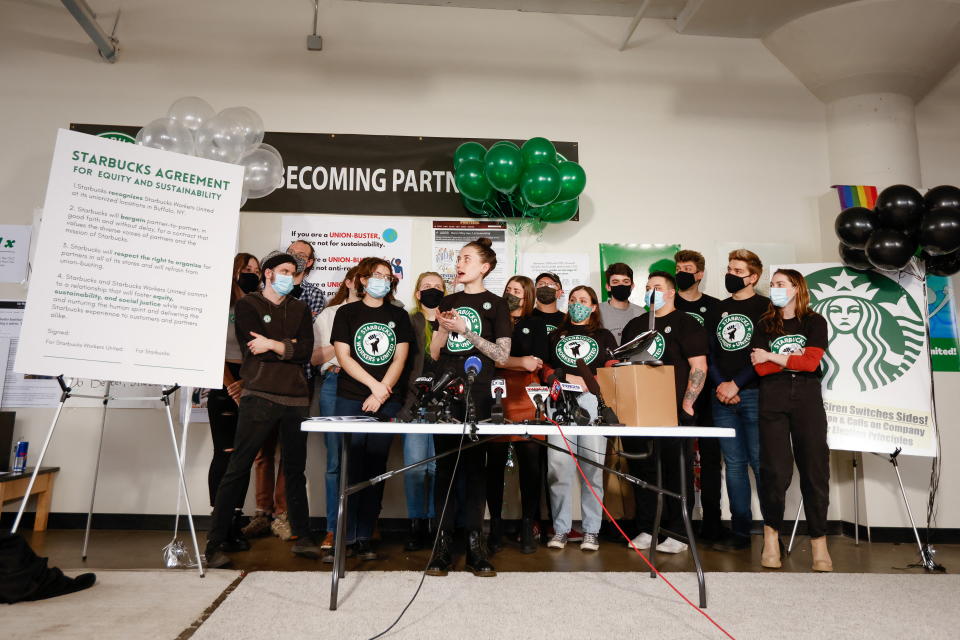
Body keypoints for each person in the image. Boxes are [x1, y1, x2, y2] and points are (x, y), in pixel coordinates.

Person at [205, 251, 318, 568]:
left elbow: (305, 352)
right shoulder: (248, 305)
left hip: (296, 398)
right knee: (237, 466)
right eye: (283, 270)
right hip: (258, 395)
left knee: (295, 470)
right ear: (268, 273)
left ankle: (304, 538)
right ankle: (213, 545)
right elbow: (254, 347)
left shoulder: (299, 308)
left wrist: (275, 345)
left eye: (293, 272)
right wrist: (286, 346)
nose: (288, 276)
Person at [427, 238, 512, 577]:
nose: (459, 264)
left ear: (484, 267)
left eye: (466, 258)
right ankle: (442, 546)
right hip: (446, 392)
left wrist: (467, 331)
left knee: (476, 472)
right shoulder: (448, 300)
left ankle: (477, 546)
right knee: (445, 471)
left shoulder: (497, 304)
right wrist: (444, 329)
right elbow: (434, 353)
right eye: (458, 258)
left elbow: (502, 355)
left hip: (479, 397)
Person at [750, 269, 832, 572]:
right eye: (772, 285)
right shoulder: (765, 324)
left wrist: (772, 357)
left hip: (807, 399)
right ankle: (771, 537)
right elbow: (759, 370)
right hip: (772, 398)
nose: (775, 289)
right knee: (774, 470)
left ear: (797, 288)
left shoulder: (814, 321)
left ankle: (818, 542)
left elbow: (811, 363)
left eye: (780, 284)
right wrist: (788, 360)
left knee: (814, 469)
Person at [331, 258, 413, 560]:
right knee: (350, 466)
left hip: (386, 400)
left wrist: (381, 394)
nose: (382, 280)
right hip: (351, 396)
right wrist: (373, 387)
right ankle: (346, 534)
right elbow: (344, 356)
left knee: (375, 468)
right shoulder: (347, 312)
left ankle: (365, 534)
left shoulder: (399, 315)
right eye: (376, 275)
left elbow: (399, 360)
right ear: (363, 280)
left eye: (387, 276)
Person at [621, 271, 708, 554]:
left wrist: (687, 404)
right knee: (642, 470)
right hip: (639, 412)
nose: (651, 292)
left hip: (674, 411)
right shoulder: (635, 325)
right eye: (647, 288)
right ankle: (648, 528)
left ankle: (678, 533)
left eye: (657, 287)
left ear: (671, 292)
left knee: (676, 471)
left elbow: (699, 367)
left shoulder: (686, 323)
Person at [544, 285, 618, 552]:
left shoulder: (603, 335)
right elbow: (545, 367)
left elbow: (612, 369)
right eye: (573, 299)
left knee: (592, 467)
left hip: (591, 403)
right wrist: (563, 378)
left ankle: (591, 531)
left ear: (594, 306)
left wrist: (590, 382)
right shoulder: (556, 335)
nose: (577, 303)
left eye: (583, 300)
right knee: (558, 466)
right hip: (559, 401)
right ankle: (562, 529)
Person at [705, 249, 770, 552]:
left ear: (753, 277)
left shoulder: (767, 307)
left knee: (759, 463)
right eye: (729, 269)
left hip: (755, 394)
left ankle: (772, 533)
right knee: (733, 465)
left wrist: (736, 384)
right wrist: (721, 385)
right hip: (722, 398)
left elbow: (763, 354)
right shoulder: (719, 309)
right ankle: (741, 532)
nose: (731, 274)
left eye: (738, 270)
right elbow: (710, 354)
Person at [486, 276, 549, 555]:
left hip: (527, 395)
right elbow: (491, 357)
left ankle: (527, 526)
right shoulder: (492, 320)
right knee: (494, 465)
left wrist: (516, 362)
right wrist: (517, 362)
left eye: (518, 292)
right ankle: (496, 527)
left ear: (528, 297)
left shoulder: (535, 323)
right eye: (509, 290)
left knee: (531, 464)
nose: (512, 294)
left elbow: (536, 359)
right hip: (496, 394)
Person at [206, 252, 259, 552]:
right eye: (246, 269)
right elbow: (212, 348)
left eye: (255, 269)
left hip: (252, 381)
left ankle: (236, 519)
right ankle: (220, 522)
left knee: (243, 456)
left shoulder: (257, 306)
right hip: (224, 380)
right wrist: (231, 384)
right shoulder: (220, 304)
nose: (251, 273)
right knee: (225, 454)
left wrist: (247, 382)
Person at [673, 249, 725, 542]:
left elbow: (718, 351)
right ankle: (682, 523)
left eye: (688, 267)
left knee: (710, 458)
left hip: (709, 395)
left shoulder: (715, 307)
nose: (682, 272)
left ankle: (713, 523)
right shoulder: (669, 304)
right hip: (675, 395)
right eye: (679, 267)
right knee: (678, 459)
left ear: (700, 274)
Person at [310, 265, 361, 553]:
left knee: (363, 458)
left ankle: (361, 527)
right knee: (335, 463)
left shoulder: (382, 314)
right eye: (360, 278)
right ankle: (333, 528)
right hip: (334, 382)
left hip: (368, 386)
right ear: (350, 282)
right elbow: (315, 358)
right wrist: (339, 342)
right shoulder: (330, 314)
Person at [397, 271, 445, 551]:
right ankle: (416, 525)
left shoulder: (451, 321)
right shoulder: (409, 321)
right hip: (414, 403)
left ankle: (435, 523)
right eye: (426, 287)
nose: (432, 290)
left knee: (438, 467)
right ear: (417, 294)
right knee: (416, 467)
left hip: (444, 404)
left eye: (438, 287)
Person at [599, 262, 643, 344]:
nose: (621, 285)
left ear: (632, 286)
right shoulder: (597, 311)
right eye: (615, 282)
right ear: (608, 287)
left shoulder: (641, 312)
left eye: (625, 282)